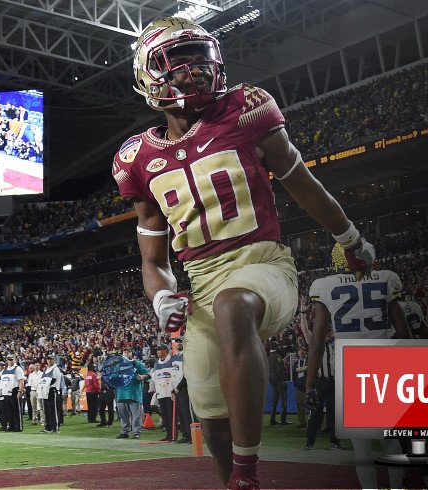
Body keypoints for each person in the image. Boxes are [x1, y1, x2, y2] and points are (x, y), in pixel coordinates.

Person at [115, 16, 375, 489]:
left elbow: (302, 183)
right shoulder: (137, 159)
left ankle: (248, 473)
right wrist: (162, 300)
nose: (193, 70)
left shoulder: (245, 109)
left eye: (200, 59)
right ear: (148, 76)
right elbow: (153, 263)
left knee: (235, 305)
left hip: (262, 264)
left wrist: (351, 239)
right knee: (211, 417)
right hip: (201, 281)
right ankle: (231, 483)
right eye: (177, 62)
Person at [305, 243, 410, 489]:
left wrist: (310, 384)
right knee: (390, 438)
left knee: (361, 444)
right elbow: (404, 332)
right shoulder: (386, 279)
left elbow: (318, 340)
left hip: (350, 365)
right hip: (383, 364)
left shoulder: (325, 285)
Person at [114, 348, 150, 440]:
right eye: (124, 352)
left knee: (136, 415)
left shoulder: (136, 363)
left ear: (131, 354)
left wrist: (142, 376)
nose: (126, 353)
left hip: (133, 393)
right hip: (121, 393)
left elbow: (147, 374)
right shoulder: (118, 365)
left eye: (128, 352)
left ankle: (136, 432)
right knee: (123, 416)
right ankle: (124, 432)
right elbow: (113, 377)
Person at [267, 339, 289, 426]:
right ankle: (283, 420)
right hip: (278, 380)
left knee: (275, 399)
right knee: (283, 399)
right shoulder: (278, 357)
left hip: (272, 379)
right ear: (276, 347)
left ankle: (272, 419)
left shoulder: (269, 357)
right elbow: (279, 371)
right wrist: (283, 380)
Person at [1, 354, 26, 432]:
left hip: (14, 391)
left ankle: (18, 427)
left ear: (15, 360)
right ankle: (11, 426)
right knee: (8, 411)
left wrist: (20, 391)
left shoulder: (17, 369)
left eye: (11, 359)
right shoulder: (5, 370)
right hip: (6, 392)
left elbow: (21, 381)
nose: (10, 361)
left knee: (16, 410)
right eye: (9, 359)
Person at [291, 347, 308, 428]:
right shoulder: (295, 363)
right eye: (300, 350)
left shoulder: (309, 361)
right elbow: (294, 375)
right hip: (299, 387)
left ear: (306, 352)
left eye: (303, 350)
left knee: (312, 405)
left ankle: (313, 422)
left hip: (309, 387)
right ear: (297, 353)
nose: (302, 352)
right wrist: (296, 384)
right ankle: (302, 421)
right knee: (299, 404)